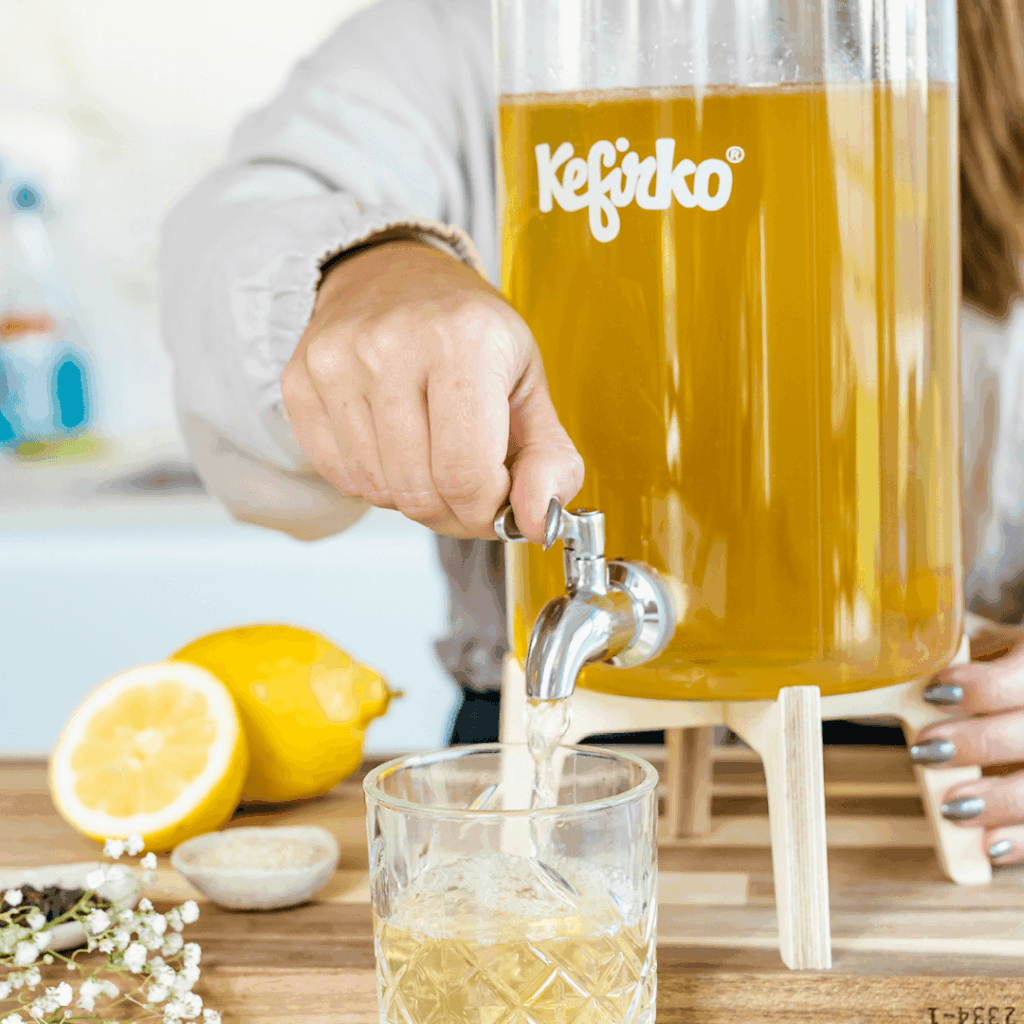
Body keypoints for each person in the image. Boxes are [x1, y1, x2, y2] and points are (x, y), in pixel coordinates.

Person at [160, 0, 1024, 866]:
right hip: (569, 730)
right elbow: (245, 216)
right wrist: (364, 270)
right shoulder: (476, 34)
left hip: (967, 742)